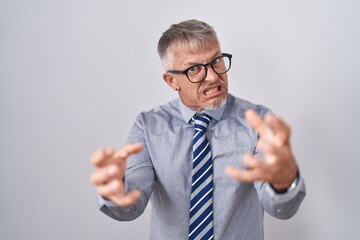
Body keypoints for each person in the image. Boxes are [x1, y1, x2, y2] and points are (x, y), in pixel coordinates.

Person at [89, 19, 306, 240]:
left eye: (217, 61)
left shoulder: (259, 120)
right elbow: (131, 203)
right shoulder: (147, 126)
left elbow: (281, 208)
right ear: (172, 80)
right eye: (194, 69)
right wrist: (116, 193)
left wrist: (284, 184)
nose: (213, 77)